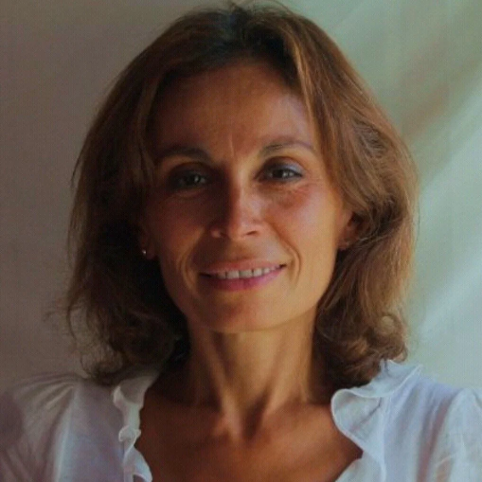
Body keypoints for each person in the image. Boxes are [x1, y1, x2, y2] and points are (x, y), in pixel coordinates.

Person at [1, 3, 481, 481]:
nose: (234, 221)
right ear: (141, 221)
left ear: (354, 212)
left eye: (281, 172)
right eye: (191, 178)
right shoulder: (45, 442)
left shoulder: (447, 445)